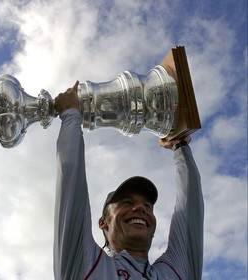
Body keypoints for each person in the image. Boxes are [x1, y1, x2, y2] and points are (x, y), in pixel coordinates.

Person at [53, 81, 204, 280]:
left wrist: (180, 146)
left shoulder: (174, 273)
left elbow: (190, 209)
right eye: (127, 202)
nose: (141, 209)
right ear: (103, 223)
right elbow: (71, 189)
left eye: (148, 206)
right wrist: (71, 116)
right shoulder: (86, 265)